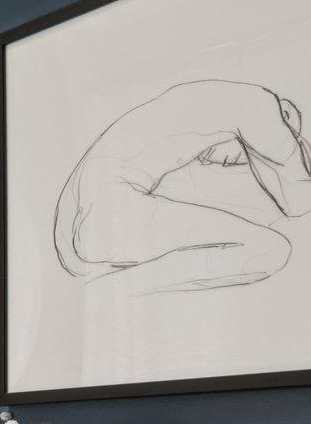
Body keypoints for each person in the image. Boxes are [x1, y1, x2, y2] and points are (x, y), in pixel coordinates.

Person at [53, 79, 311, 295]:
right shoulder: (261, 106)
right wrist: (299, 151)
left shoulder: (194, 106)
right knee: (270, 250)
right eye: (244, 157)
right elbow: (298, 201)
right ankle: (112, 294)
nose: (233, 162)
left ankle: (109, 293)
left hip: (80, 232)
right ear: (284, 118)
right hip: (108, 218)